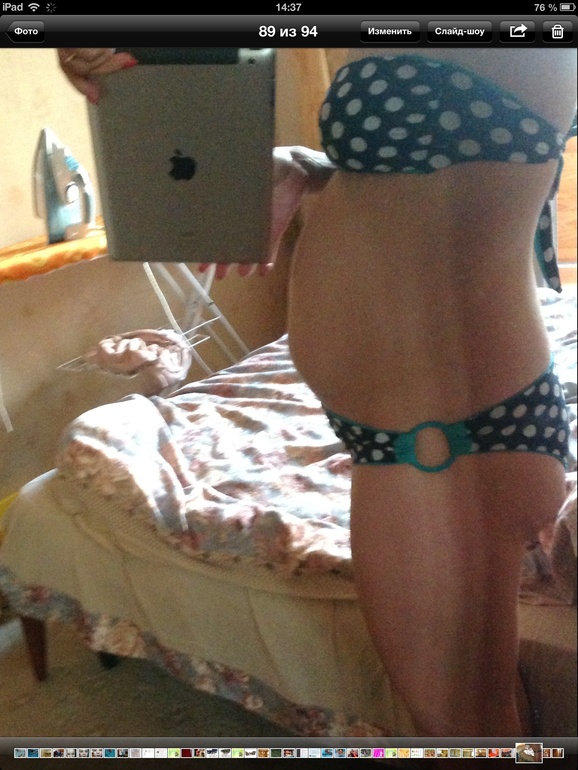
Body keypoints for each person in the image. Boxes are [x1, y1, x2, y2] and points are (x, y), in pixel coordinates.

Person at [58, 46, 576, 737]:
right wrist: (307, 167)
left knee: (459, 727)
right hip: (422, 434)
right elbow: (447, 171)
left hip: (443, 443)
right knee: (477, 713)